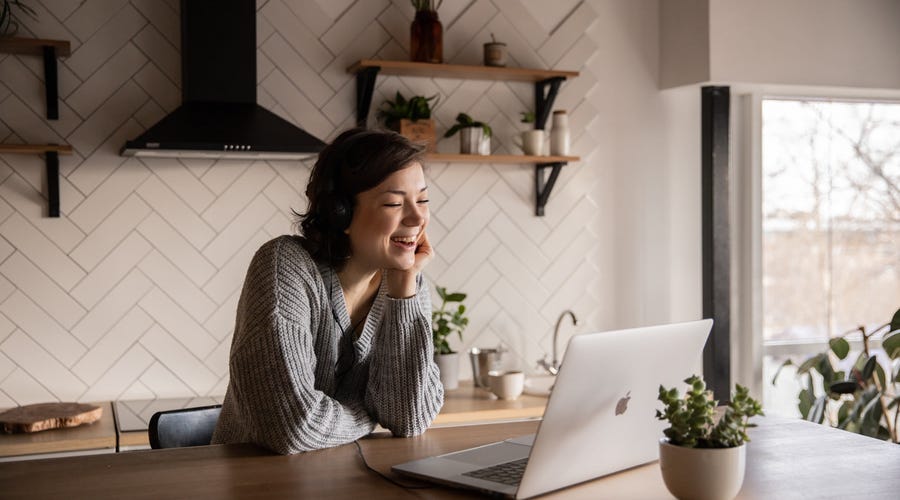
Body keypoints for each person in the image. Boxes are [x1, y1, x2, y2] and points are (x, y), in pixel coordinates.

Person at [211, 128, 444, 454]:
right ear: (341, 213)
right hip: (254, 483)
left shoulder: (408, 285)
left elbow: (409, 419)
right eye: (394, 203)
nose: (418, 217)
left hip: (344, 480)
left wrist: (404, 292)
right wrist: (367, 413)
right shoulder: (285, 266)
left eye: (423, 199)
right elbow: (292, 427)